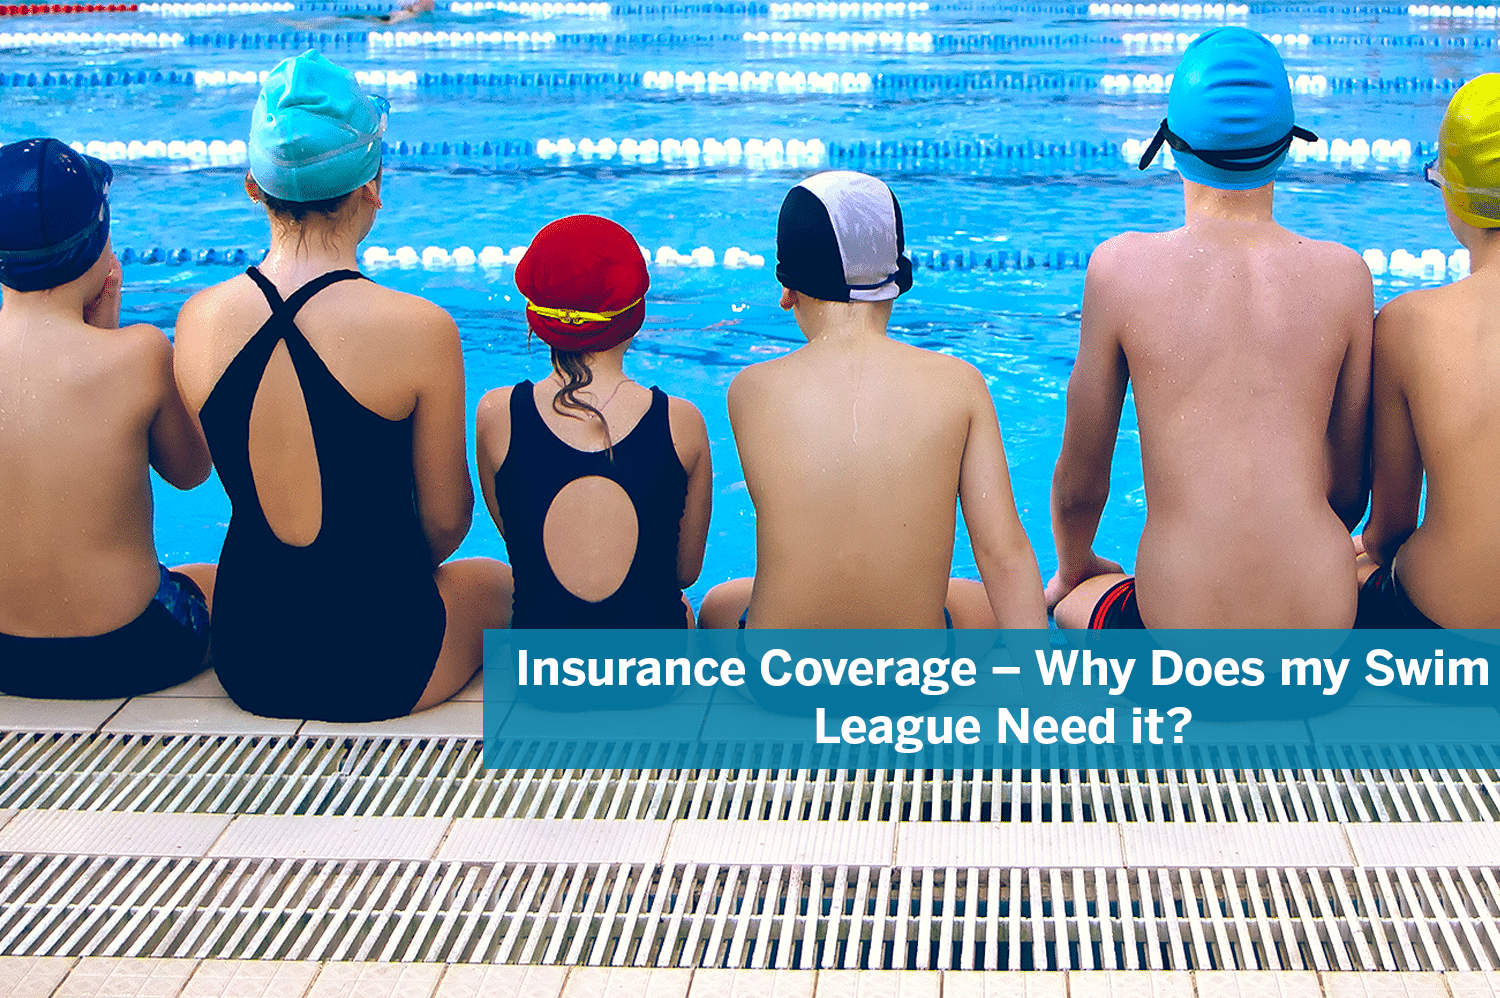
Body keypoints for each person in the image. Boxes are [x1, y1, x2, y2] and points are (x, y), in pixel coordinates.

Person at [172, 51, 511, 720]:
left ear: (251, 186)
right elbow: (445, 524)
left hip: (252, 661)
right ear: (372, 188)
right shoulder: (421, 328)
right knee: (498, 583)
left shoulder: (198, 319)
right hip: (384, 665)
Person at [1047, 26, 1373, 630]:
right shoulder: (1346, 276)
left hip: (1178, 639)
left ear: (1169, 144)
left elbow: (1081, 482)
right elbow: (1349, 490)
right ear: (1287, 144)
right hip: (1320, 637)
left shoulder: (1119, 270)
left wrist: (1075, 566)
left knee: (1070, 604)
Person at [699, 170, 1046, 629]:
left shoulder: (750, 389)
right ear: (897, 280)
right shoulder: (959, 383)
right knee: (979, 603)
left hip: (781, 678)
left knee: (718, 605)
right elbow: (1003, 554)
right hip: (909, 681)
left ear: (788, 290)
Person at [0, 137, 214, 698]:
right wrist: (109, 336)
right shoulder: (138, 354)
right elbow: (192, 472)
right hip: (127, 651)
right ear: (102, 243)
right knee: (218, 580)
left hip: (3, 657)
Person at [475, 215, 711, 628]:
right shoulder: (681, 422)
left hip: (541, 681)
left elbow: (524, 545)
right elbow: (684, 572)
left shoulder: (496, 416)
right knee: (706, 608)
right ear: (635, 314)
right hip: (654, 682)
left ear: (537, 317)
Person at [1356, 75, 1500, 629]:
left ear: (1452, 198)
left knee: (1337, 574)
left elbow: (1389, 528)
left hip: (1441, 631)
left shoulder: (1407, 324)